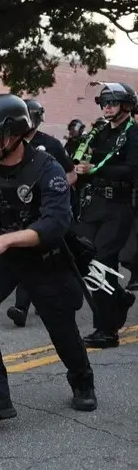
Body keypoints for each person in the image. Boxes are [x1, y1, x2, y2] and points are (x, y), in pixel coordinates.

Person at [0, 93, 96, 421]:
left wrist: (7, 240)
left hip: (43, 257)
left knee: (61, 325)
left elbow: (57, 222)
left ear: (14, 134)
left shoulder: (46, 168)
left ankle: (82, 380)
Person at [72, 82, 138, 349]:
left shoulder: (134, 134)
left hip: (118, 206)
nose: (107, 107)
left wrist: (95, 170)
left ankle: (107, 330)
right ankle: (119, 297)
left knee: (101, 264)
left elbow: (132, 170)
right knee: (85, 260)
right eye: (104, 103)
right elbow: (85, 160)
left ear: (127, 105)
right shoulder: (99, 132)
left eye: (113, 102)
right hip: (94, 205)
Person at [5, 99, 78, 327]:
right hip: (21, 212)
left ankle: (65, 297)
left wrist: (53, 190)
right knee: (26, 256)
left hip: (48, 211)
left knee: (59, 258)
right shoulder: (7, 143)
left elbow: (71, 174)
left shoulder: (50, 144)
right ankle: (21, 307)